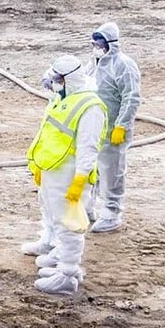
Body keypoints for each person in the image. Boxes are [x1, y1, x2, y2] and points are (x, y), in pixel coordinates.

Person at [23, 54, 106, 296]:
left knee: (69, 222)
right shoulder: (64, 98)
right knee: (55, 217)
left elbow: (88, 147)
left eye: (57, 80)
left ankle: (68, 274)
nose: (53, 84)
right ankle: (61, 258)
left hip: (70, 174)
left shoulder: (90, 107)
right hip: (54, 170)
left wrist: (80, 180)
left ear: (68, 80)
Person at [88, 22, 141, 233]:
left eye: (100, 43)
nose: (97, 47)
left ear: (110, 43)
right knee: (92, 168)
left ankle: (112, 211)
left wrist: (122, 125)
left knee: (112, 171)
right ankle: (88, 206)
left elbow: (131, 97)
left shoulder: (124, 65)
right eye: (94, 43)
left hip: (113, 130)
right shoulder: (94, 63)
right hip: (94, 128)